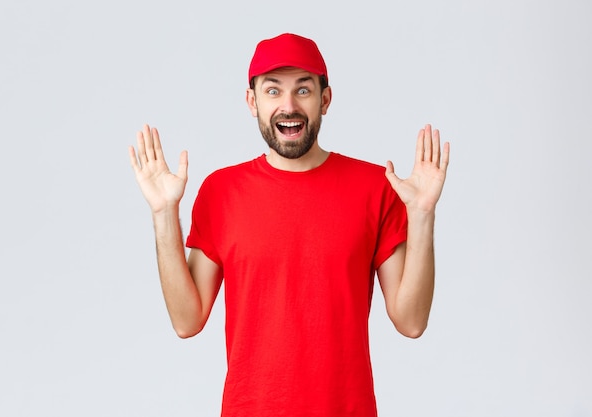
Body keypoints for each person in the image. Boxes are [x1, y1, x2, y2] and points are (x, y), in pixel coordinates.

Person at [129, 33, 450, 417]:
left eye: (302, 90)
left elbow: (411, 321)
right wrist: (164, 213)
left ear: (324, 100)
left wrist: (423, 214)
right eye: (272, 91)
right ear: (253, 102)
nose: (288, 105)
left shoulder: (374, 188)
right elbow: (186, 320)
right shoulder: (222, 191)